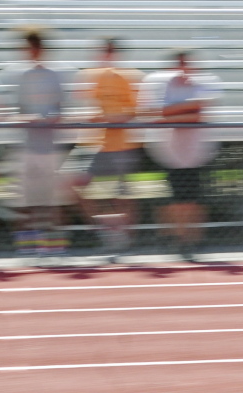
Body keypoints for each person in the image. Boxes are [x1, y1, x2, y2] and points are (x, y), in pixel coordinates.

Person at [140, 49, 220, 262]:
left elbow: (199, 114)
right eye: (181, 63)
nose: (184, 68)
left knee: (192, 198)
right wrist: (186, 109)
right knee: (178, 198)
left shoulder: (203, 82)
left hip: (196, 150)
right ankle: (179, 237)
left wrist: (169, 112)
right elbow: (150, 113)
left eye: (188, 63)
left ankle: (190, 239)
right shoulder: (160, 84)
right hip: (170, 151)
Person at [71, 38, 143, 259]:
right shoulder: (87, 76)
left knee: (122, 194)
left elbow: (134, 111)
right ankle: (106, 230)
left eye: (110, 51)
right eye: (103, 51)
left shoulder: (131, 76)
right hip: (90, 142)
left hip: (121, 144)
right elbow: (81, 105)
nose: (106, 55)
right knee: (70, 184)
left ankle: (125, 239)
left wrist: (108, 118)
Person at [4, 28, 66, 258]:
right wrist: (28, 119)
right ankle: (26, 246)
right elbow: (11, 112)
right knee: (26, 200)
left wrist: (50, 119)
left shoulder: (54, 75)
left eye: (37, 47)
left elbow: (61, 110)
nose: (33, 52)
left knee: (51, 199)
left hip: (49, 147)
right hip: (25, 147)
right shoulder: (16, 75)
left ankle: (54, 245)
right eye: (30, 48)